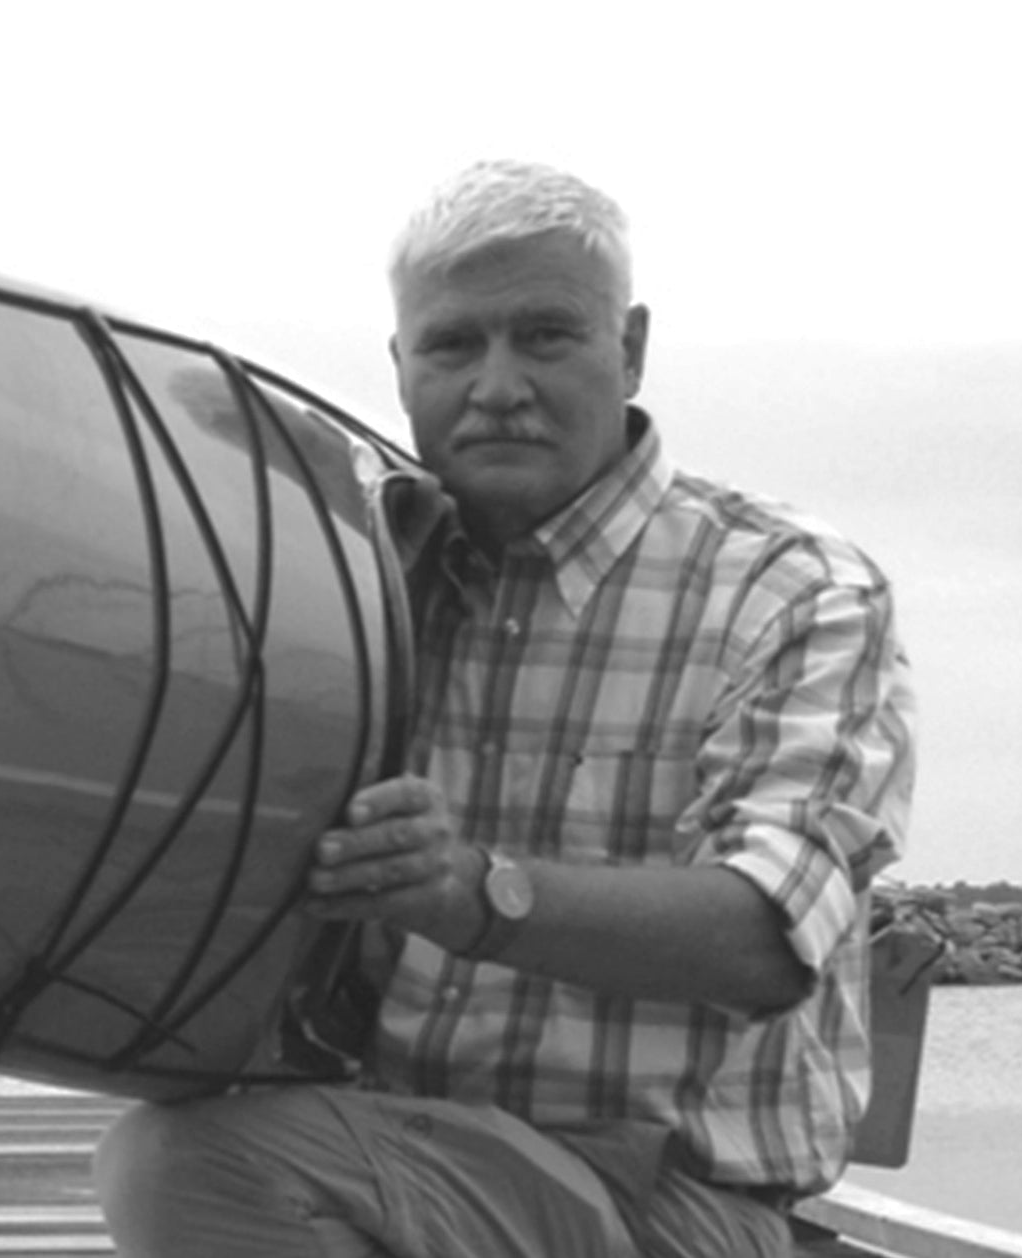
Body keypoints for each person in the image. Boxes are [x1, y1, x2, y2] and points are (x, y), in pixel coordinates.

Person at [94, 161, 916, 1258]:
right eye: (452, 346)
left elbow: (765, 939)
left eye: (545, 337)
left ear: (630, 348)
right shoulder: (354, 579)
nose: (497, 387)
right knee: (195, 1146)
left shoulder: (794, 588)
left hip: (674, 1205)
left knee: (181, 1165)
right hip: (411, 1153)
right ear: (399, 367)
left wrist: (472, 893)